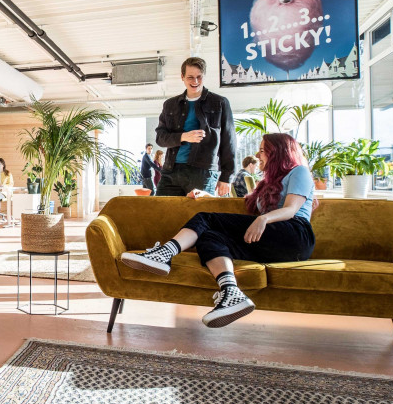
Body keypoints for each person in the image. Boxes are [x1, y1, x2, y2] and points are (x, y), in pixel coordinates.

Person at [121, 133, 315, 328]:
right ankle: (231, 292)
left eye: (263, 150)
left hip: (294, 235)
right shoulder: (267, 183)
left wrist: (263, 218)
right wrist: (209, 196)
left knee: (205, 218)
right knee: (208, 237)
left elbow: (291, 209)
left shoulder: (299, 172)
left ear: (278, 152)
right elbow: (238, 207)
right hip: (272, 241)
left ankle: (164, 254)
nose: (257, 155)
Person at [154, 57, 236, 197]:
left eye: (199, 77)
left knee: (199, 211)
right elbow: (160, 138)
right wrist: (183, 137)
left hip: (203, 172)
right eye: (190, 77)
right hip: (171, 171)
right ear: (182, 77)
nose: (195, 81)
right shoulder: (170, 105)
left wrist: (226, 177)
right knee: (161, 209)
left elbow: (229, 141)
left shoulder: (220, 103)